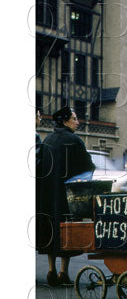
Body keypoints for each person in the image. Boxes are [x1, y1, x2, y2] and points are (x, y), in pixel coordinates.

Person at [36, 106, 95, 286]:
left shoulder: (48, 140)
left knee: (51, 232)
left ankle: (51, 270)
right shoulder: (75, 140)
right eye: (75, 119)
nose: (78, 122)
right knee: (67, 232)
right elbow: (87, 166)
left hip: (47, 196)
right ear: (65, 121)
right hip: (67, 196)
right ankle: (63, 273)